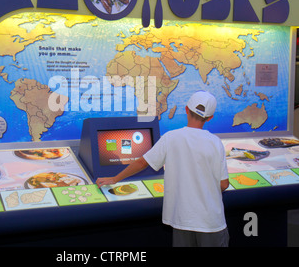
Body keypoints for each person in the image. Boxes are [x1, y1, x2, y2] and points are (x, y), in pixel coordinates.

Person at [96, 91, 230, 247]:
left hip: (182, 221)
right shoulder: (215, 142)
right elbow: (224, 184)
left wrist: (114, 179)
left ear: (186, 109)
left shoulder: (170, 137)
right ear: (210, 118)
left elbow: (142, 163)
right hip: (211, 223)